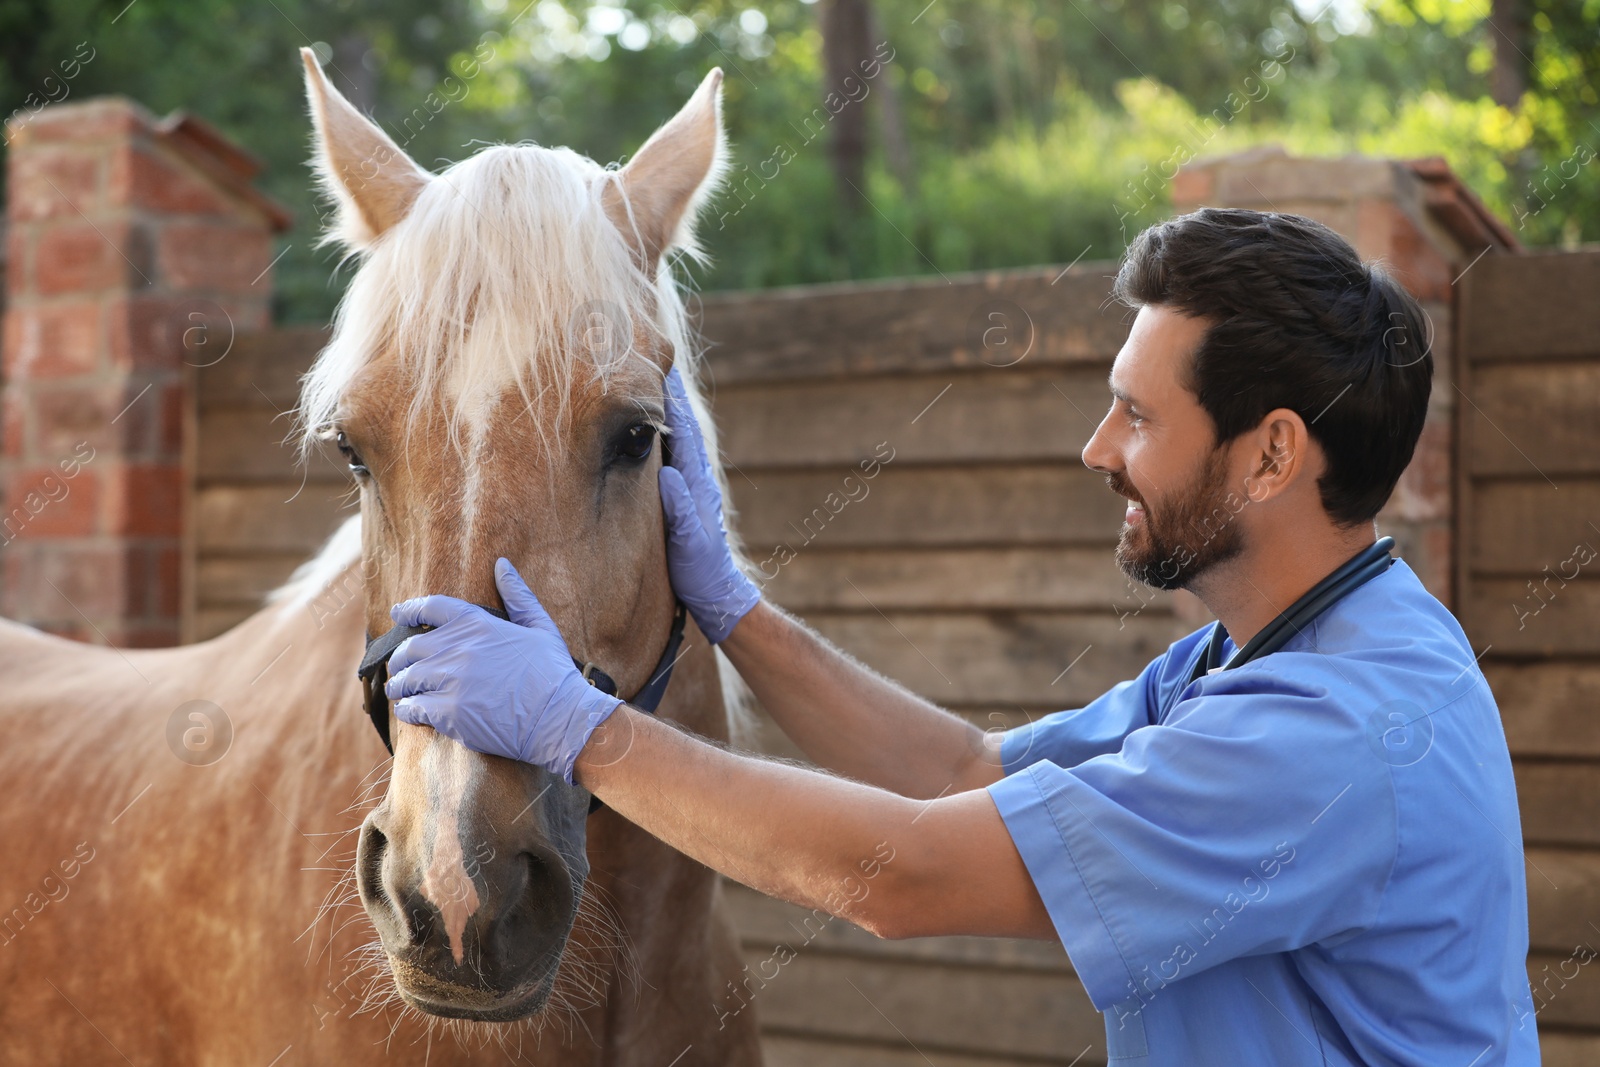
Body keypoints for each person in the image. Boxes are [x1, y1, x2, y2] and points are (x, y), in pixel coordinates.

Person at [382, 208, 1538, 1064]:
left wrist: (578, 727)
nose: (1096, 446)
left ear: (1273, 454)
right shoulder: (1262, 656)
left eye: (1137, 414)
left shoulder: (1327, 731)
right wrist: (735, 612)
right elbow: (966, 773)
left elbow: (905, 874)